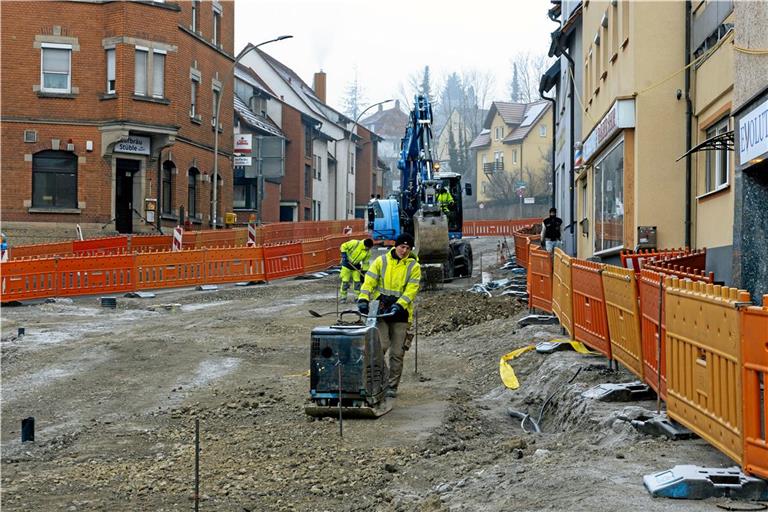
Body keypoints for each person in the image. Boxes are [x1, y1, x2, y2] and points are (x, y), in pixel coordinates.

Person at [357, 233, 421, 398]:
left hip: (401, 314)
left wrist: (400, 304)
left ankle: (392, 386)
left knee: (397, 353)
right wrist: (363, 299)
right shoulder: (381, 261)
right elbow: (369, 282)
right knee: (381, 347)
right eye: (402, 247)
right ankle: (377, 381)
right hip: (382, 311)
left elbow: (411, 290)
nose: (404, 250)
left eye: (408, 248)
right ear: (396, 245)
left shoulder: (413, 266)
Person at [339, 238, 374, 303]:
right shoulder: (355, 243)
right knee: (345, 281)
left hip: (356, 267)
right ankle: (343, 297)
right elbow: (343, 246)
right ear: (365, 245)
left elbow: (365, 263)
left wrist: (365, 272)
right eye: (368, 248)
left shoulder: (368, 252)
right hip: (346, 265)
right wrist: (344, 255)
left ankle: (357, 297)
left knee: (357, 282)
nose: (368, 249)